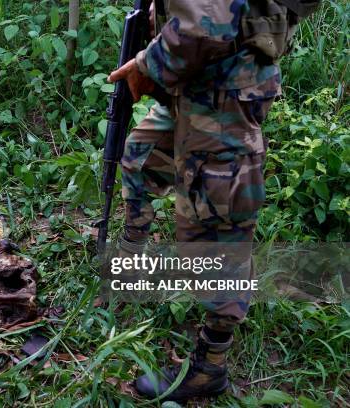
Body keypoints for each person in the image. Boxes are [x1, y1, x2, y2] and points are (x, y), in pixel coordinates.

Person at [107, 0, 297, 401]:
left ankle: (211, 364)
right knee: (141, 160)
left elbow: (206, 24)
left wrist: (147, 65)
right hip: (195, 77)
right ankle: (128, 266)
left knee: (216, 226)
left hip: (222, 89)